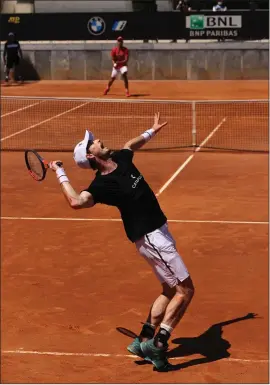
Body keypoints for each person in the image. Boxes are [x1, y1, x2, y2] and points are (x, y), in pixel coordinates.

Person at [49, 113, 195, 372]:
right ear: (91, 156)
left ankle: (142, 341)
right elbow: (76, 202)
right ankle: (158, 345)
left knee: (170, 289)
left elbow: (131, 144)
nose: (98, 140)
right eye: (92, 142)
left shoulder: (120, 157)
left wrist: (151, 131)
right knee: (185, 290)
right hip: (152, 238)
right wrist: (60, 173)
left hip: (157, 231)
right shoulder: (102, 185)